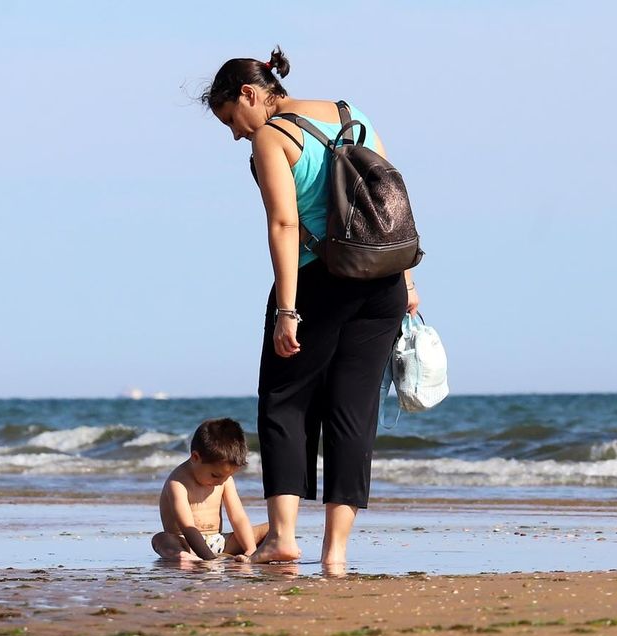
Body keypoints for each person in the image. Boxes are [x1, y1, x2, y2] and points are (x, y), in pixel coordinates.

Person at [200, 48, 419, 572]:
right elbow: (393, 202)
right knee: (353, 412)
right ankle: (336, 554)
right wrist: (408, 280)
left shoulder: (273, 137)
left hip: (319, 280)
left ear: (251, 94)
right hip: (383, 279)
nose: (236, 134)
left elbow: (284, 224)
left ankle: (282, 538)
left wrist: (287, 311)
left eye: (232, 119)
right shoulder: (354, 114)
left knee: (284, 401)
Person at [151, 417, 269, 561]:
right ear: (195, 457)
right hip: (185, 543)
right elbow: (187, 527)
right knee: (161, 540)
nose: (221, 482)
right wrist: (209, 559)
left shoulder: (224, 480)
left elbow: (238, 518)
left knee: (273, 528)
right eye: (215, 475)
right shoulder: (177, 483)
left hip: (220, 542)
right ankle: (183, 557)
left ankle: (265, 549)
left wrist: (250, 550)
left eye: (228, 476)